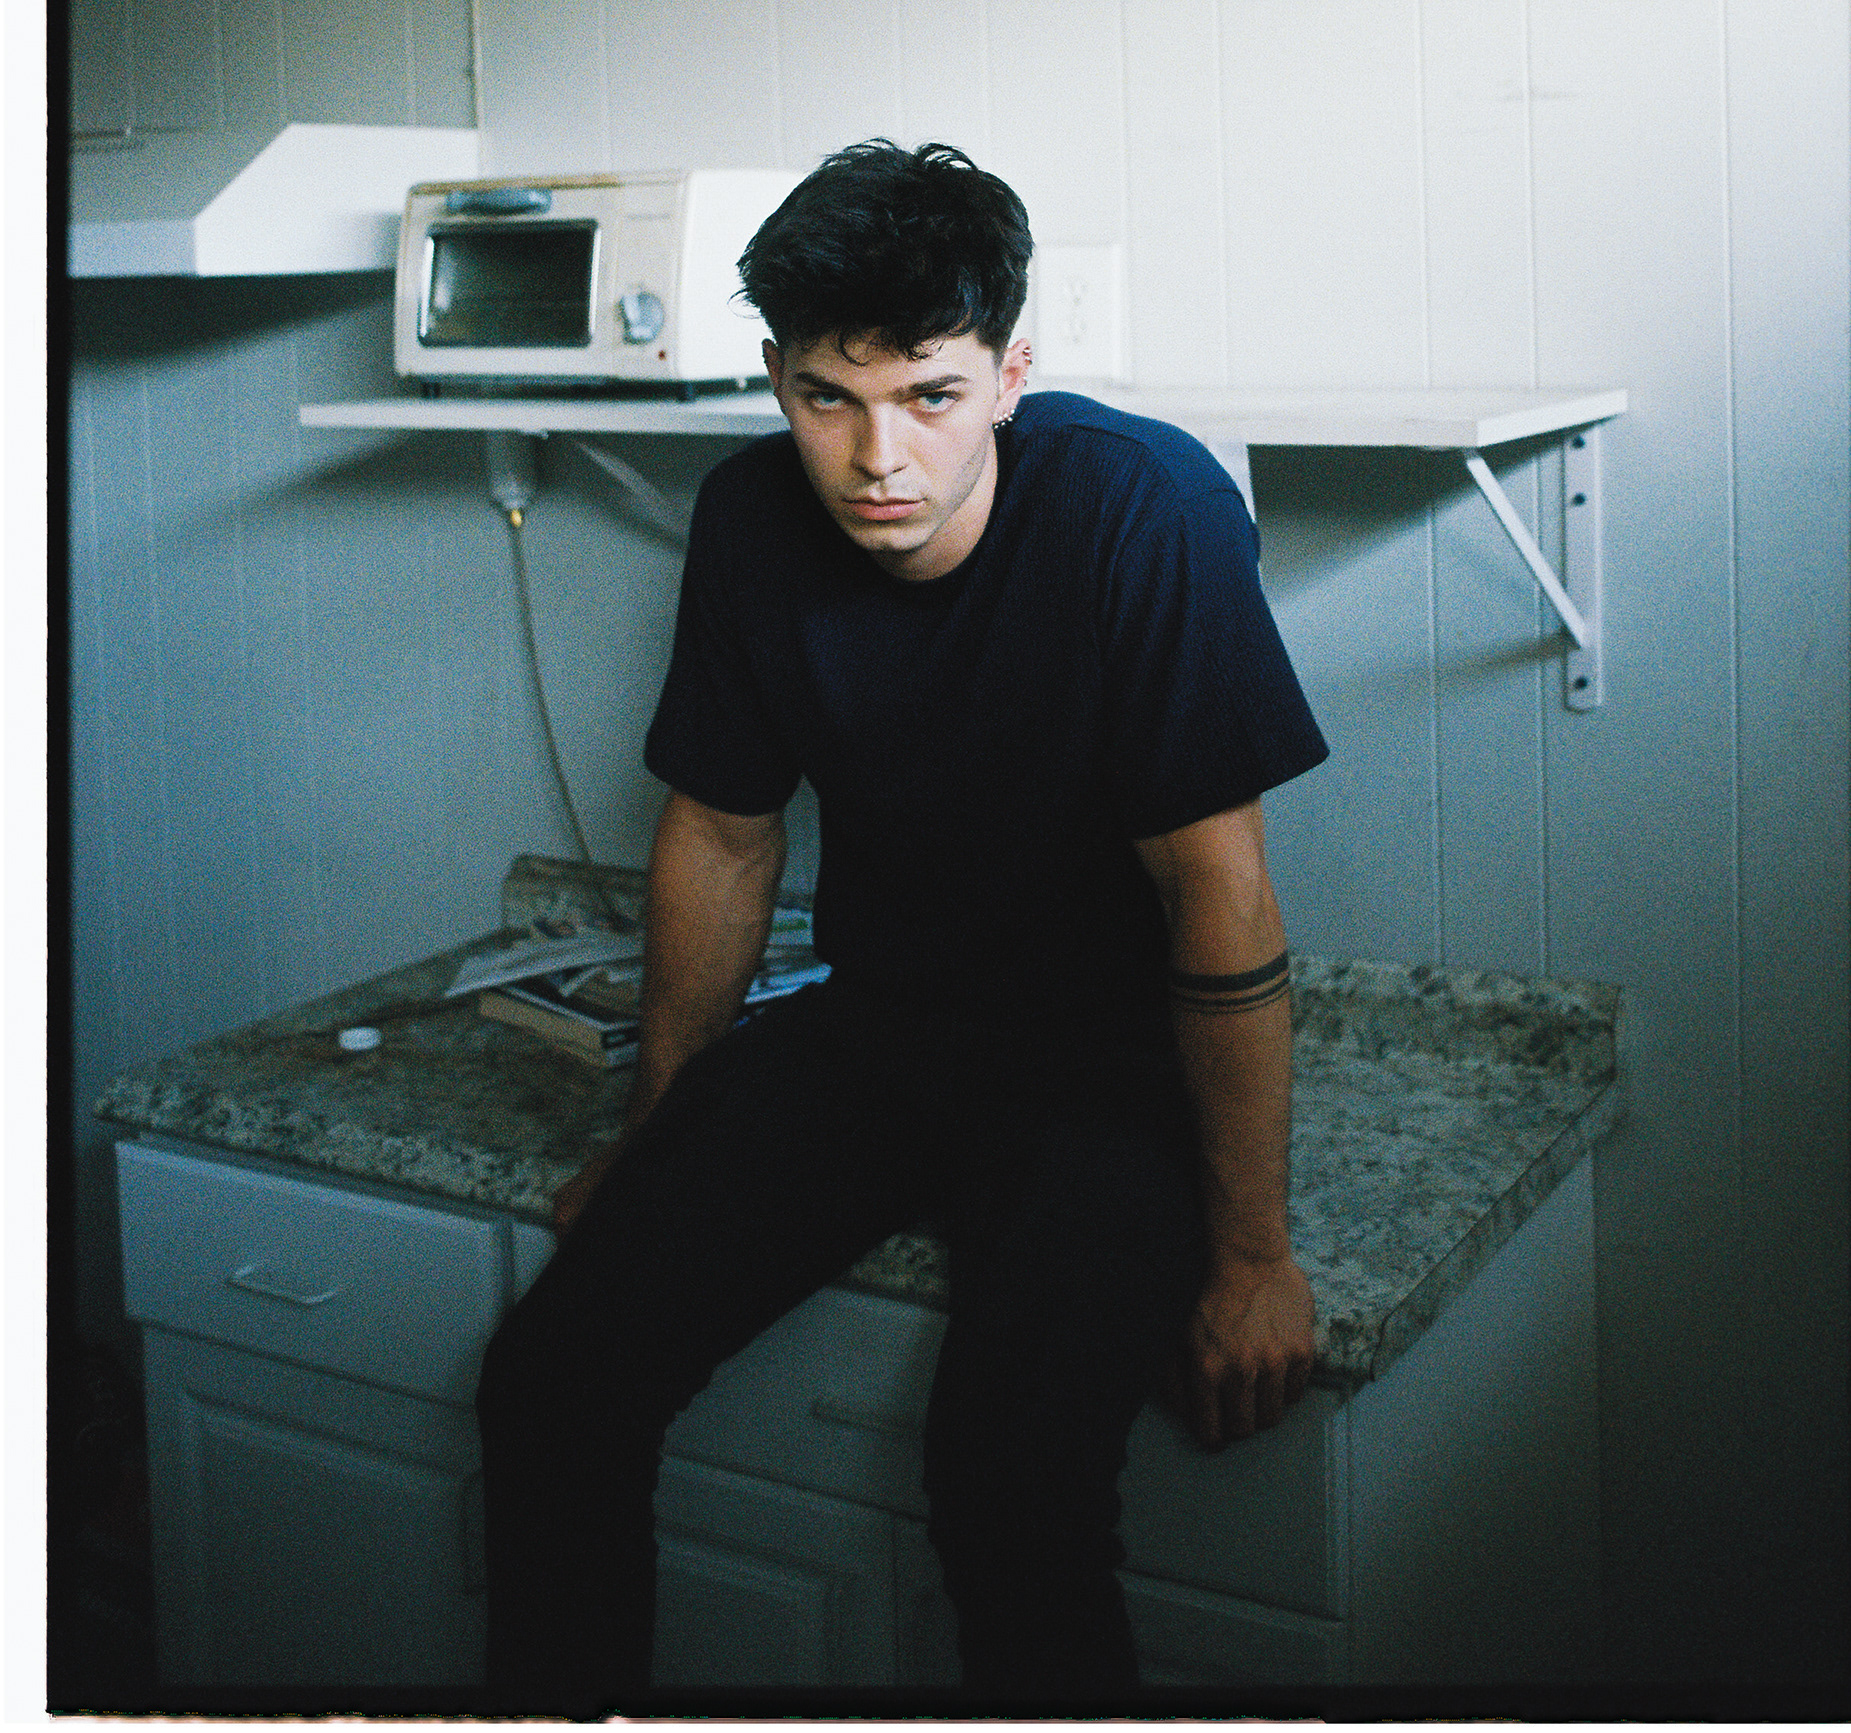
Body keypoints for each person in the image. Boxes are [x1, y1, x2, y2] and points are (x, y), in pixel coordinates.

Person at [477, 139, 1329, 1705]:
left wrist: (1255, 1251)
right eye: (829, 396)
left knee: (1008, 1481)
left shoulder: (1143, 509)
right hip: (879, 1026)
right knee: (550, 1380)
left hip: (1110, 1062)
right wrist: (661, 1138)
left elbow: (1218, 894)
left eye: (930, 395)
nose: (880, 455)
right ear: (776, 379)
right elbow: (722, 837)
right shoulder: (748, 519)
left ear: (1010, 371)